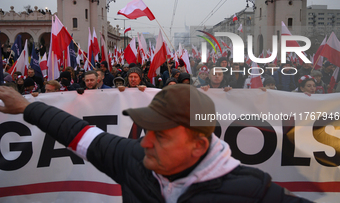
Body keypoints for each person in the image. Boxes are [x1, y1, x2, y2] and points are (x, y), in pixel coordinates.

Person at [0, 84, 313, 203]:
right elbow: (80, 134)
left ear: (199, 146)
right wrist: (27, 107)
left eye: (160, 135)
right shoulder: (134, 160)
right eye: (147, 129)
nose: (144, 142)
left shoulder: (255, 193)